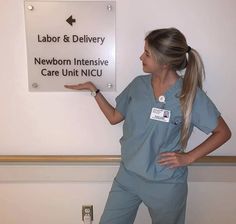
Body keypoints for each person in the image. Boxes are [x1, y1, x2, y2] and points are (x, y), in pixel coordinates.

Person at [65, 28, 231, 224]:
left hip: (165, 184)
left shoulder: (189, 95)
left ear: (165, 62)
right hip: (127, 177)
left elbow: (223, 132)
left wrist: (189, 157)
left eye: (147, 53)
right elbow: (114, 117)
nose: (140, 56)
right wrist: (94, 91)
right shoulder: (138, 85)